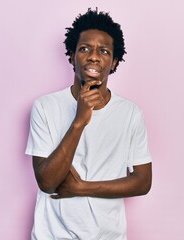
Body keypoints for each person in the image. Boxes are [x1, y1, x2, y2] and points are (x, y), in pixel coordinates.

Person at [25, 8, 152, 240]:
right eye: (84, 49)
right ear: (72, 55)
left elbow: (142, 182)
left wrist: (81, 188)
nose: (94, 56)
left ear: (113, 62)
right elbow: (46, 181)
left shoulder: (130, 113)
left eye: (103, 51)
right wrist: (79, 121)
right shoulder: (45, 107)